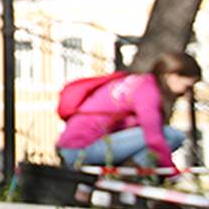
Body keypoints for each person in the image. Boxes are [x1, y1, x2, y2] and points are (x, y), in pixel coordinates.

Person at [57, 51, 201, 170]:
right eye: (187, 85)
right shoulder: (147, 91)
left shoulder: (135, 82)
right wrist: (172, 173)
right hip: (83, 150)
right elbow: (154, 138)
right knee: (172, 135)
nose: (186, 92)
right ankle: (130, 174)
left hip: (71, 148)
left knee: (158, 137)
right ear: (172, 75)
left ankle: (130, 172)